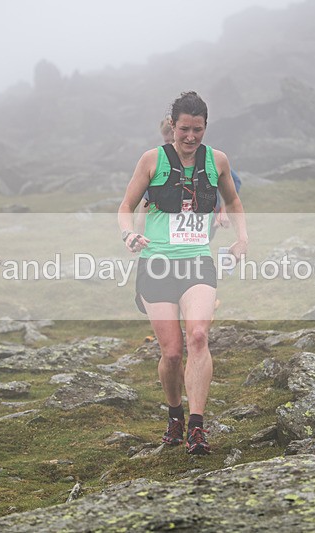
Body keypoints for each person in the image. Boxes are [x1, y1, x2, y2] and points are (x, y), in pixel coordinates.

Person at [117, 91, 247, 455]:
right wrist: (129, 233)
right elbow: (125, 206)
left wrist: (242, 238)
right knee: (172, 353)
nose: (190, 137)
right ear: (172, 126)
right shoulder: (151, 160)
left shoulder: (217, 161)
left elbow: (234, 201)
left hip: (196, 261)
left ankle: (197, 427)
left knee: (199, 337)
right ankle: (174, 414)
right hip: (156, 264)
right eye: (184, 129)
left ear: (206, 128)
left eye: (198, 130)